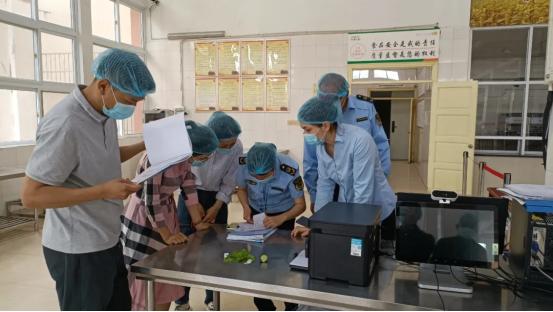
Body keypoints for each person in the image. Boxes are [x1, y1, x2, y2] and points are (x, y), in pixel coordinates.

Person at [21, 48, 154, 311]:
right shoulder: (66, 123)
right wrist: (103, 191)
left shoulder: (104, 114)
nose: (133, 108)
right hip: (78, 249)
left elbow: (104, 155)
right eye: (131, 100)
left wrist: (145, 144)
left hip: (107, 238)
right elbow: (31, 195)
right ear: (103, 85)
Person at [121, 120, 219, 311]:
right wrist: (166, 235)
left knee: (164, 269)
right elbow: (150, 201)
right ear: (190, 149)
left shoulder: (183, 159)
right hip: (144, 217)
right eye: (203, 156)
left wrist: (197, 221)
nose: (204, 160)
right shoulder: (156, 159)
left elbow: (189, 187)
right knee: (144, 270)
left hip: (165, 212)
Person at [293, 97, 396, 239]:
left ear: (325, 125)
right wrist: (316, 225)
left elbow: (363, 191)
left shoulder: (359, 140)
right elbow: (325, 185)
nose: (305, 135)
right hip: (349, 209)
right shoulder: (321, 146)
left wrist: (352, 230)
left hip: (377, 210)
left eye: (308, 129)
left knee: (377, 254)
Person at [174, 112, 243, 311]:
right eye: (224, 145)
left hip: (218, 197)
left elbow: (231, 179)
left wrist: (217, 205)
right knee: (186, 249)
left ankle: (212, 298)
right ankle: (182, 300)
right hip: (189, 194)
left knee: (216, 249)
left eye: (232, 143)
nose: (229, 148)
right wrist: (194, 203)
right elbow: (185, 176)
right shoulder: (197, 143)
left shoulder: (236, 146)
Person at [303, 73, 391, 214]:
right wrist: (314, 197)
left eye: (336, 99)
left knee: (365, 219)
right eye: (325, 99)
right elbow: (311, 160)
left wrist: (379, 177)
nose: (330, 104)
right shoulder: (316, 112)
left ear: (346, 94)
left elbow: (381, 144)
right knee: (337, 221)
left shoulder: (365, 108)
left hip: (365, 178)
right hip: (334, 181)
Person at [236, 142, 306, 311]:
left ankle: (291, 304)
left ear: (274, 167)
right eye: (255, 177)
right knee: (257, 264)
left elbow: (300, 205)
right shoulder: (244, 163)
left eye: (264, 176)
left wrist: (281, 218)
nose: (259, 179)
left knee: (284, 261)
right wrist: (245, 207)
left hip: (284, 215)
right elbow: (241, 188)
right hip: (256, 214)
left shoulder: (289, 168)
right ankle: (264, 305)